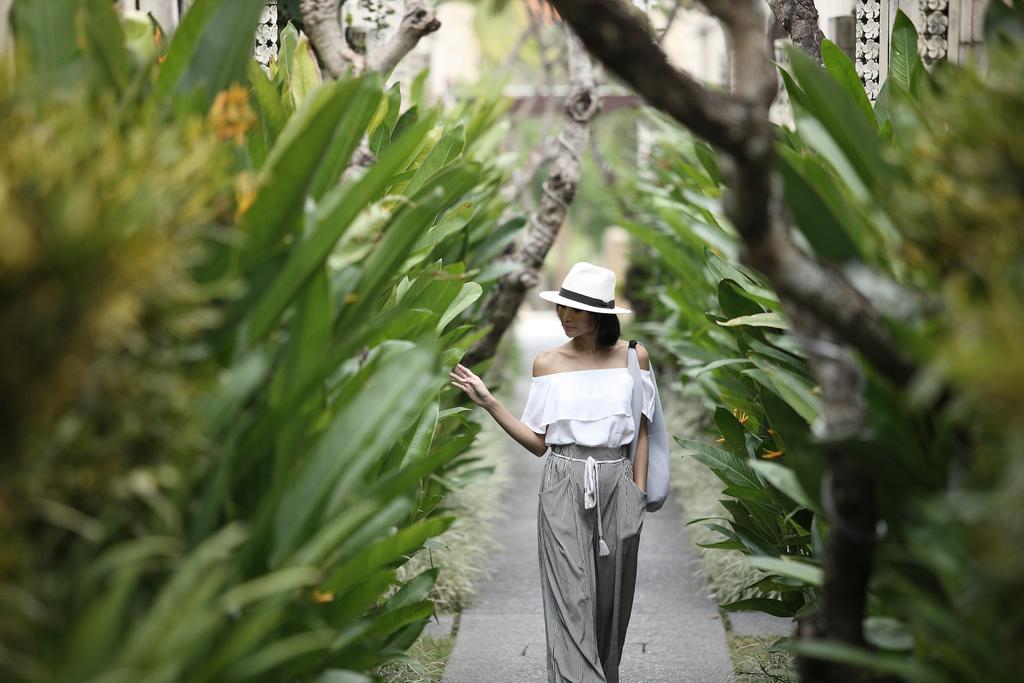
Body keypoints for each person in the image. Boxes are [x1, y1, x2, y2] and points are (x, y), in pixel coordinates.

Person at [449, 261, 657, 683]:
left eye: (575, 310)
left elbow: (644, 432)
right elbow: (539, 443)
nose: (565, 316)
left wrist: (636, 495)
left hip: (617, 480)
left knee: (609, 602)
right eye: (562, 307)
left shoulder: (634, 357)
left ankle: (604, 673)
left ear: (599, 314)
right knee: (571, 597)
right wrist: (490, 403)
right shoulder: (546, 362)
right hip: (563, 482)